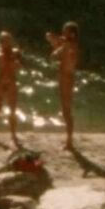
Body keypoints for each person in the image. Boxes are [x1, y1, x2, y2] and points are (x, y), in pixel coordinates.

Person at [45, 21, 80, 150]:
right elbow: (55, 53)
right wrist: (56, 45)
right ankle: (68, 140)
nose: (63, 33)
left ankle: (69, 142)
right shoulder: (66, 45)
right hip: (64, 78)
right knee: (65, 111)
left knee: (67, 111)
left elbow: (59, 42)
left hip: (67, 79)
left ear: (72, 34)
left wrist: (56, 41)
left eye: (65, 31)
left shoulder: (72, 45)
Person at [0, 31, 24, 147]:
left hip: (11, 82)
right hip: (1, 82)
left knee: (12, 110)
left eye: (9, 40)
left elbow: (21, 66)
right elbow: (1, 59)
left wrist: (18, 59)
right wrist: (14, 58)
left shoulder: (15, 53)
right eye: (5, 40)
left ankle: (13, 134)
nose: (8, 42)